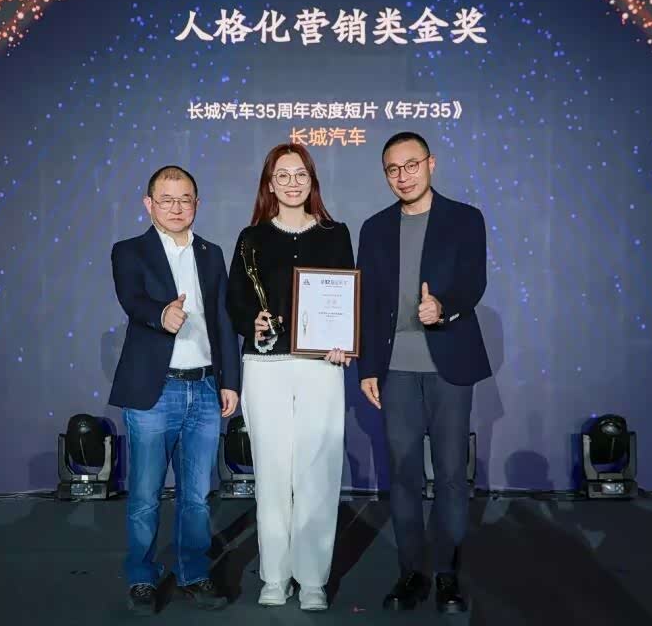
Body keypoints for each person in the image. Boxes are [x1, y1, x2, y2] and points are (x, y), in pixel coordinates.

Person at [356, 132, 492, 614]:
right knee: (404, 474)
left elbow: (474, 282)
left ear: (431, 163)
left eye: (411, 165)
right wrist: (368, 366)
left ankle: (448, 575)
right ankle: (411, 572)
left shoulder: (465, 219)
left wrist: (444, 307)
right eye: (392, 169)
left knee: (452, 474)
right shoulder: (374, 228)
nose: (403, 176)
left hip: (448, 364)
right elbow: (367, 303)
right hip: (394, 370)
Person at [226, 143, 354, 612]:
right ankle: (275, 576)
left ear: (312, 180)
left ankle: (313, 578)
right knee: (273, 471)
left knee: (319, 470)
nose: (292, 183)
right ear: (270, 183)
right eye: (283, 175)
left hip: (322, 366)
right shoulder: (251, 238)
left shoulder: (336, 234)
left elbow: (345, 297)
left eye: (300, 174)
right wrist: (252, 321)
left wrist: (342, 340)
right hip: (266, 367)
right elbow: (235, 300)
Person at [109, 165, 241, 615]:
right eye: (166, 199)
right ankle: (141, 577)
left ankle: (193, 573)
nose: (176, 207)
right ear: (149, 204)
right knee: (145, 496)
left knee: (197, 497)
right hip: (154, 390)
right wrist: (160, 315)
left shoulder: (211, 253)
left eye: (185, 199)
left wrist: (230, 381)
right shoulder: (130, 251)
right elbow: (132, 299)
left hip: (204, 387)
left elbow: (223, 319)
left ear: (197, 204)